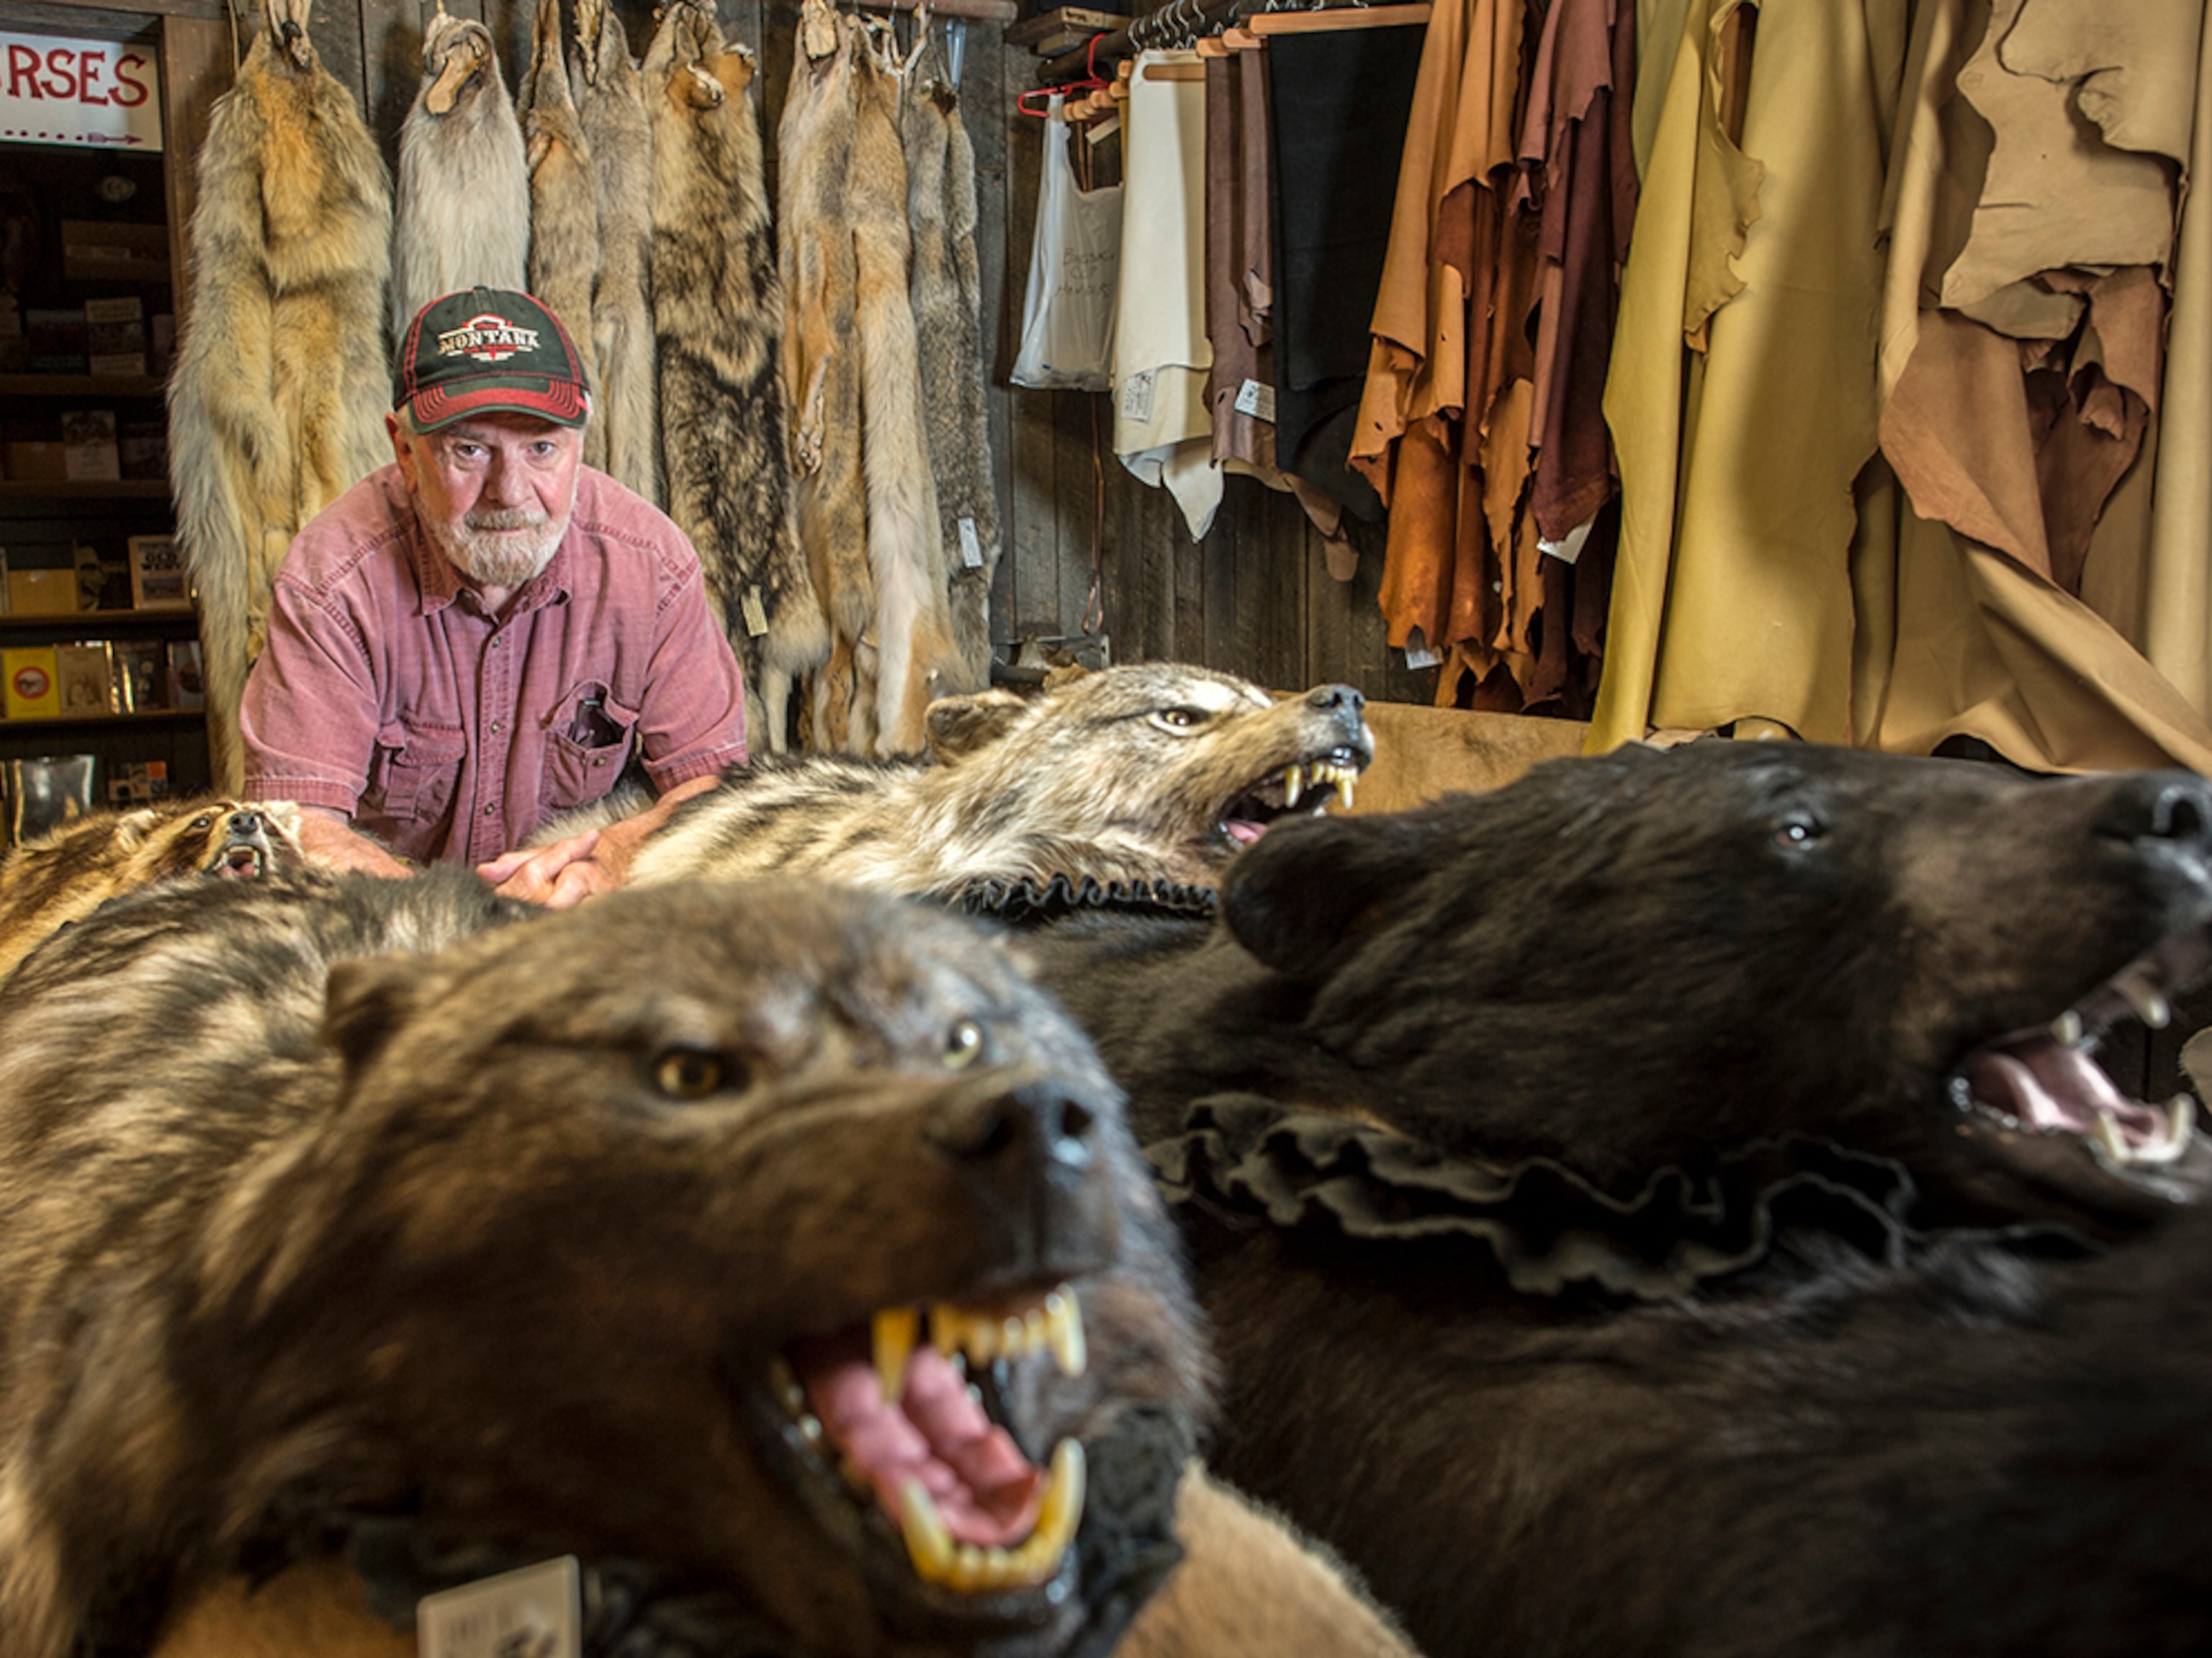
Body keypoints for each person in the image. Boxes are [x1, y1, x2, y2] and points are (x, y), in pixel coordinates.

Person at [239, 287, 747, 908]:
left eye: (542, 448)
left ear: (579, 445)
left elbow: (714, 788)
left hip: (583, 920)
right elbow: (295, 826)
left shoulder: (654, 570)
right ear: (405, 449)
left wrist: (619, 858)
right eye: (470, 450)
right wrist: (465, 926)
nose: (509, 492)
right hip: (392, 926)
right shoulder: (333, 584)